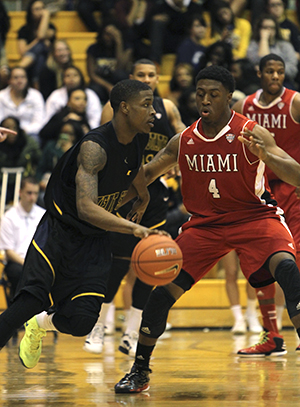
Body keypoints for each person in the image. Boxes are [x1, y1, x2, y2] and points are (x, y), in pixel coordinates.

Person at [114, 65, 300, 393]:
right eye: (200, 94)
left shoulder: (251, 132)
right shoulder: (183, 140)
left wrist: (266, 157)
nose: (205, 100)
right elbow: (147, 173)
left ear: (229, 97)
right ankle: (140, 370)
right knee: (160, 297)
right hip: (204, 226)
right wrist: (108, 199)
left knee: (288, 271)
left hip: (256, 218)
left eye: (214, 94)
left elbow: (295, 173)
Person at [0, 79, 168, 369]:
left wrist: (143, 193)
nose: (154, 112)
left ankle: (40, 325)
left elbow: (134, 166)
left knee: (81, 322)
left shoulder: (138, 137)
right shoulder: (94, 147)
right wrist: (133, 228)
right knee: (26, 304)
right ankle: (32, 315)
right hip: (59, 233)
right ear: (124, 108)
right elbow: (86, 208)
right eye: (146, 104)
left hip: (93, 241)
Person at [83, 58, 186, 355]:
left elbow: (185, 139)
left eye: (151, 75)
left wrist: (179, 164)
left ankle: (131, 332)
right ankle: (99, 326)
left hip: (155, 193)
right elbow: (103, 147)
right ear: (131, 78)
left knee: (149, 266)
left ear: (158, 78)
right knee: (116, 264)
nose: (147, 79)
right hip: (124, 192)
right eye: (140, 75)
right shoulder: (116, 108)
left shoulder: (167, 108)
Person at [231, 53, 300, 354]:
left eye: (280, 72)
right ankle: (272, 334)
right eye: (270, 71)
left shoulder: (295, 102)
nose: (275, 76)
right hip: (259, 194)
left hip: (292, 190)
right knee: (257, 264)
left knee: (293, 263)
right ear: (259, 74)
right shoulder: (244, 106)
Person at [0, 177, 45, 300]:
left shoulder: (43, 215)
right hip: (17, 263)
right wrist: (26, 264)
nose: (32, 197)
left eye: (35, 193)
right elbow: (8, 251)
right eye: (29, 193)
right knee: (21, 273)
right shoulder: (9, 217)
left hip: (38, 262)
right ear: (20, 192)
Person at [247, 14, 298, 89]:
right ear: (259, 29)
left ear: (276, 29)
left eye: (271, 28)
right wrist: (264, 40)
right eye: (265, 28)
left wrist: (274, 70)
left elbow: (292, 70)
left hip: (284, 82)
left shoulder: (285, 45)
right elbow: (259, 61)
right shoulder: (254, 45)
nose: (268, 31)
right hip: (259, 83)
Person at [86, 22, 132, 104]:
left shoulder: (127, 48)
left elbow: (121, 67)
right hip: (101, 82)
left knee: (120, 75)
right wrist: (108, 86)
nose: (108, 37)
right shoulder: (93, 49)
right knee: (93, 89)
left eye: (112, 35)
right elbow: (92, 74)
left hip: (118, 81)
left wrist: (118, 42)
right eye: (107, 34)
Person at [45, 65, 102, 131]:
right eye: (68, 76)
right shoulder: (55, 95)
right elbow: (47, 119)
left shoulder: (90, 94)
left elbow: (95, 119)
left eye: (75, 75)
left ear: (81, 77)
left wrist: (88, 131)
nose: (71, 78)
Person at [0, 116, 42, 204]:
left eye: (14, 128)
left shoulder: (29, 142)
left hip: (23, 180)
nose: (11, 131)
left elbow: (39, 160)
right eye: (7, 128)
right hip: (2, 180)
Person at [0, 67, 45, 142]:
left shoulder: (36, 96)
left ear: (27, 79)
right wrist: (9, 131)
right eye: (16, 78)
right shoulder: (1, 96)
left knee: (35, 140)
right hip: (5, 133)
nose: (20, 81)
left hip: (29, 133)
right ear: (9, 80)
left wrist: (23, 131)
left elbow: (39, 122)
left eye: (22, 77)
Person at [17, 0, 56, 88]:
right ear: (30, 12)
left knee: (41, 49)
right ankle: (37, 85)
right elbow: (23, 52)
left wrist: (46, 16)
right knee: (40, 52)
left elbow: (41, 34)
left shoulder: (51, 27)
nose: (41, 12)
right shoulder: (24, 30)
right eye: (37, 9)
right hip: (32, 62)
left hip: (49, 60)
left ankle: (19, 67)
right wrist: (38, 41)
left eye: (42, 9)